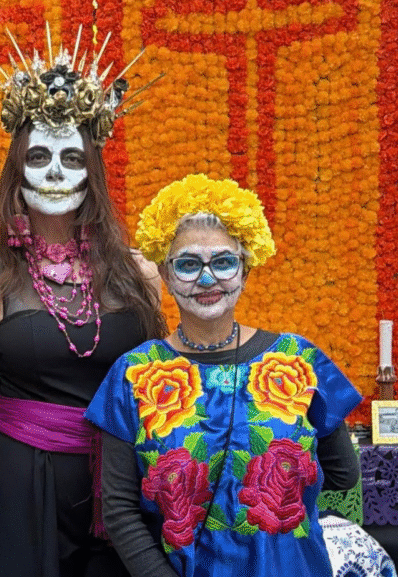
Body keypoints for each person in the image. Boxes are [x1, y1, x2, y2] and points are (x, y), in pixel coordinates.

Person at [0, 29, 164, 577]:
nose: (57, 173)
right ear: (16, 167)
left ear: (96, 169)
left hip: (122, 476)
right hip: (21, 479)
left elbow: (157, 380)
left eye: (73, 156)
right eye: (39, 155)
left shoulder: (139, 271)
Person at [85, 174, 363, 576]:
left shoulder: (299, 360)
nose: (206, 278)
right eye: (187, 264)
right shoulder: (133, 376)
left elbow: (343, 472)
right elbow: (119, 510)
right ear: (164, 273)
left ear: (245, 270)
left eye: (223, 262)